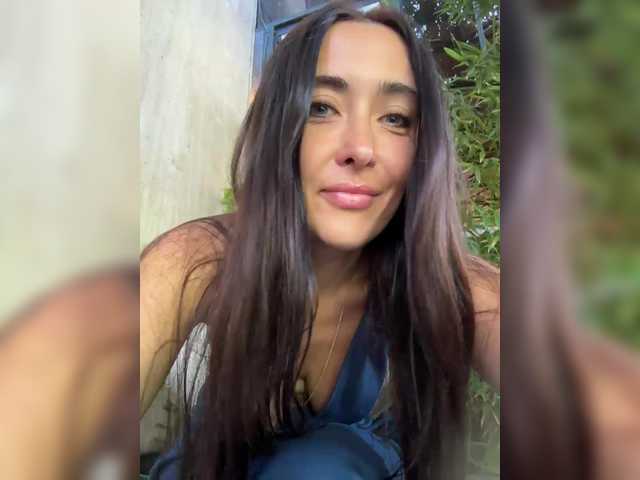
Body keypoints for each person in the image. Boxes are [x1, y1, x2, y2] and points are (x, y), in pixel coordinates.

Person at [140, 3, 500, 480]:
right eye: (321, 107)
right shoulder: (198, 258)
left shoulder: (445, 280)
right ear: (277, 126)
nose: (360, 149)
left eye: (396, 118)